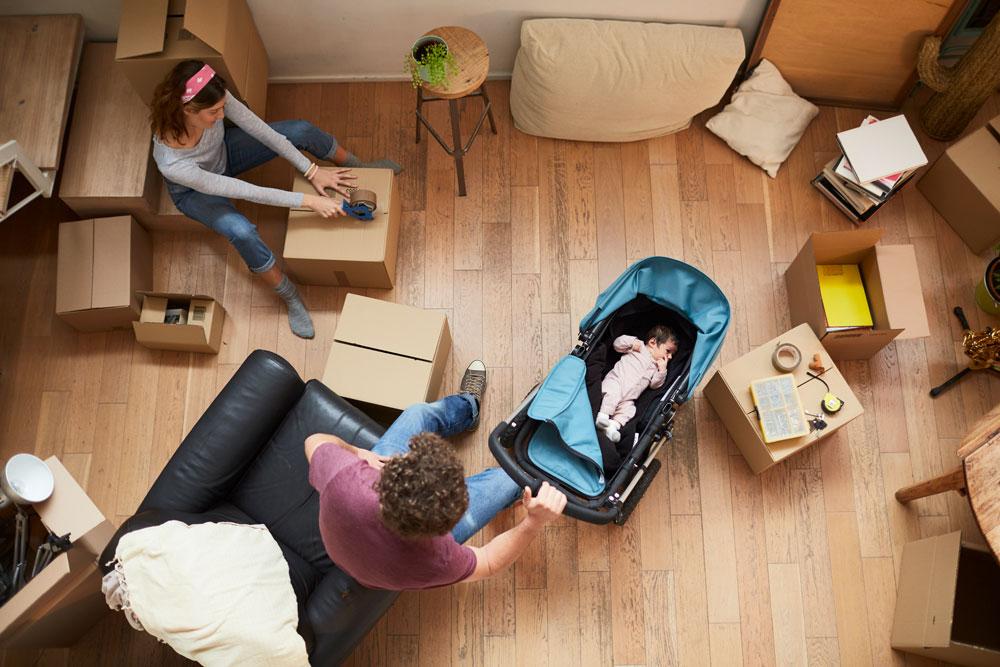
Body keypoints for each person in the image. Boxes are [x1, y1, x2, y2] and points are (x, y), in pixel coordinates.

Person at [149, 60, 402, 339]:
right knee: (241, 231)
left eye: (222, 107)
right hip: (194, 190)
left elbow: (263, 131)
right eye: (213, 112)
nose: (222, 116)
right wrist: (309, 201)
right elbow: (242, 190)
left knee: (301, 131)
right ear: (187, 110)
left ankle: (361, 166)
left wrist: (312, 170)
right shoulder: (172, 164)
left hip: (224, 153)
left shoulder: (212, 94)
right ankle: (289, 295)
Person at [304, 361, 568, 590]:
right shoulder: (434, 558)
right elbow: (487, 562)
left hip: (356, 540)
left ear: (391, 469)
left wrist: (359, 452)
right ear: (445, 528)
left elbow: (314, 441)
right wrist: (533, 521)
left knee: (418, 414)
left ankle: (468, 407)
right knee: (511, 479)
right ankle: (520, 489)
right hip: (382, 560)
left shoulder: (346, 477)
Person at [595, 325, 678, 443]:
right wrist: (631, 341)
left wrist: (662, 370)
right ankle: (603, 416)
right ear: (653, 342)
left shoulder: (656, 367)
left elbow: (654, 385)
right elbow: (617, 344)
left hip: (629, 398)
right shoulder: (638, 347)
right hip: (617, 382)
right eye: (668, 351)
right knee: (612, 394)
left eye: (671, 355)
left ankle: (612, 427)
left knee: (629, 410)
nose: (669, 357)